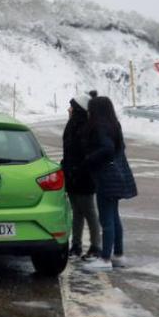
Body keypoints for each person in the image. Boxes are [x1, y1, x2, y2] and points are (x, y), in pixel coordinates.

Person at [82, 95, 137, 270]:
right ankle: (118, 254)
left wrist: (89, 159)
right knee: (114, 217)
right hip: (118, 176)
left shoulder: (99, 126)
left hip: (106, 177)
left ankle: (105, 259)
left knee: (106, 219)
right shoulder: (114, 124)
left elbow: (107, 148)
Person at [60, 94, 101, 260]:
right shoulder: (72, 125)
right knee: (76, 211)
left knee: (89, 211)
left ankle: (96, 246)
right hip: (72, 175)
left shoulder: (86, 128)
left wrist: (78, 168)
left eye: (71, 106)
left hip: (84, 176)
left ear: (77, 109)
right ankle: (76, 245)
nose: (69, 109)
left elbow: (87, 154)